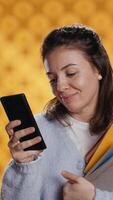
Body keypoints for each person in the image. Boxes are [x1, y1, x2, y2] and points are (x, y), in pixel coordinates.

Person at [1, 24, 113, 200]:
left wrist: (95, 197)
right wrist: (23, 166)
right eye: (52, 79)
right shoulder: (38, 132)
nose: (60, 87)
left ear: (98, 68)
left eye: (71, 73)